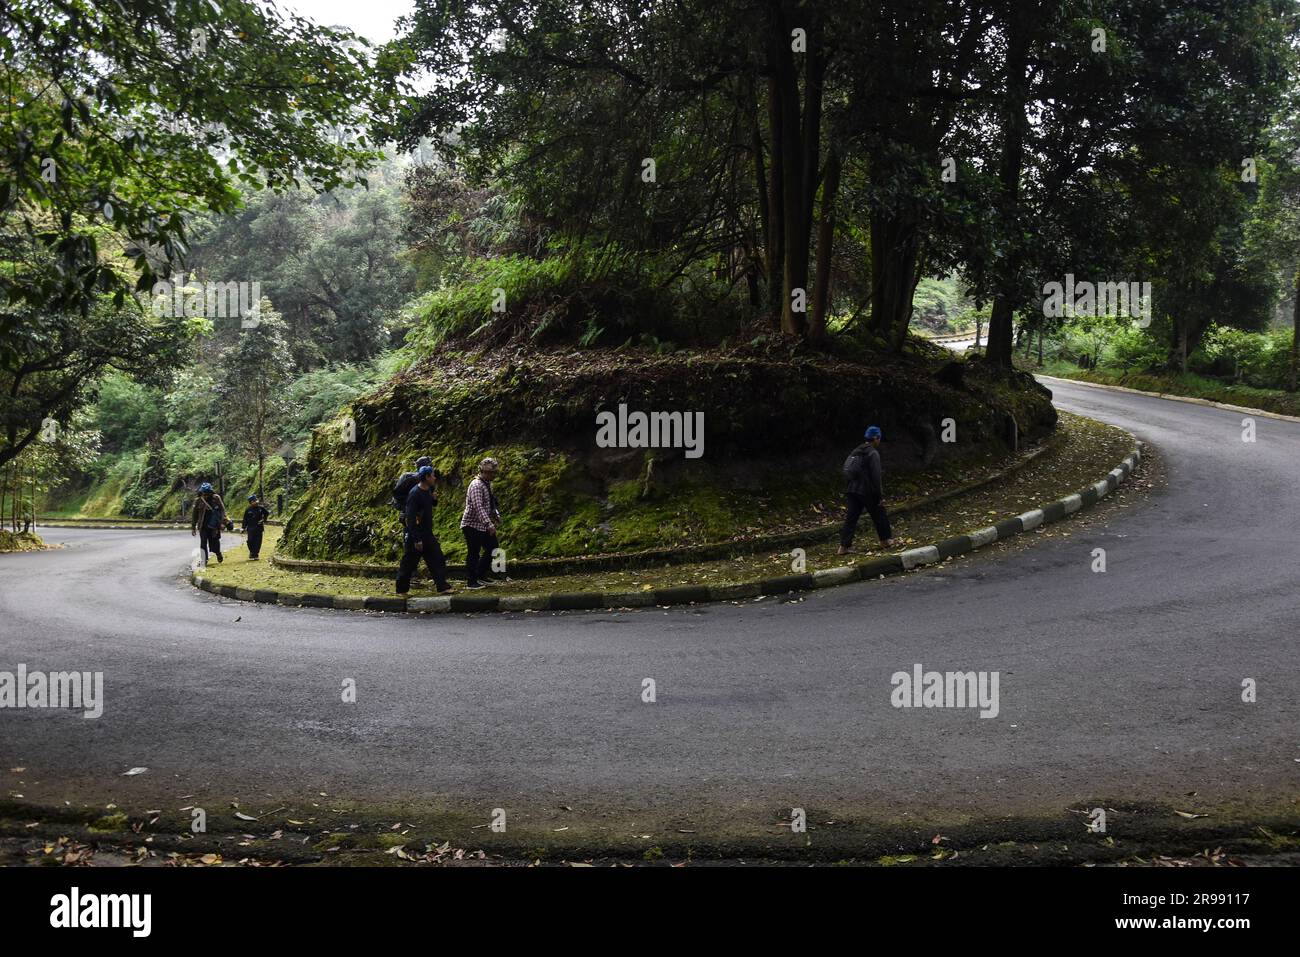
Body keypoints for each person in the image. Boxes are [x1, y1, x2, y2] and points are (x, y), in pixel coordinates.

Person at [396, 465, 452, 595]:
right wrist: (416, 539)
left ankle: (442, 586)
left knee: (437, 559)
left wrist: (434, 500)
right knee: (409, 563)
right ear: (426, 477)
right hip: (416, 535)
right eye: (432, 475)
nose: (435, 477)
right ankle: (401, 589)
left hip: (427, 533)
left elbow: (428, 505)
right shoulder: (414, 494)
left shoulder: (427, 490)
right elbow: (410, 518)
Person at [838, 426, 895, 554]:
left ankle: (843, 547)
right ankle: (886, 540)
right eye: (879, 438)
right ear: (875, 438)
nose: (879, 441)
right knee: (880, 514)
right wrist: (879, 496)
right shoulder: (872, 453)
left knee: (851, 518)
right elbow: (876, 477)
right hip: (867, 491)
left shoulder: (856, 450)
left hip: (852, 490)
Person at [460, 457, 502, 589]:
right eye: (492, 472)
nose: (494, 475)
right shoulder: (476, 485)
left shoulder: (487, 484)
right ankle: (471, 581)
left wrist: (496, 516)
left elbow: (490, 503)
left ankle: (481, 574)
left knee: (493, 547)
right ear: (484, 471)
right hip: (472, 524)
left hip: (482, 524)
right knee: (474, 552)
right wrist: (489, 524)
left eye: (495, 472)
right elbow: (479, 507)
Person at [190, 482, 227, 565]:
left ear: (210, 492)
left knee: (215, 542)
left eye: (207, 493)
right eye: (204, 493)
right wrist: (193, 527)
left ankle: (218, 553)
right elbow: (194, 515)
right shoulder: (198, 501)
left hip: (214, 526)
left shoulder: (216, 498)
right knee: (203, 543)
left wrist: (223, 523)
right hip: (203, 526)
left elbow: (222, 510)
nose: (205, 495)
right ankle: (204, 560)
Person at [241, 494, 271, 561]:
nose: (256, 502)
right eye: (254, 501)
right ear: (251, 502)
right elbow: (245, 519)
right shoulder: (248, 510)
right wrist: (243, 527)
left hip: (259, 528)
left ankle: (256, 554)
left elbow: (267, 513)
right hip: (251, 528)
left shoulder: (261, 508)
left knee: (258, 542)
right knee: (250, 541)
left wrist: (263, 519)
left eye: (256, 500)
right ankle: (252, 552)